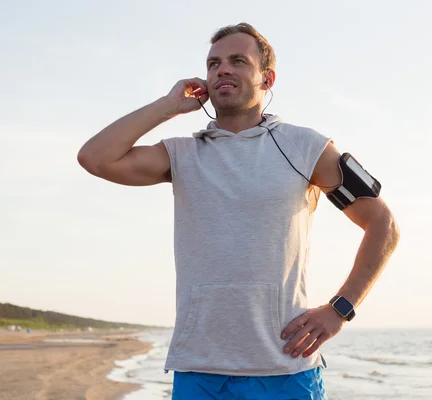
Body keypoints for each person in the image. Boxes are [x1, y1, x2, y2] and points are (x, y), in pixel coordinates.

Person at [77, 22, 400, 400]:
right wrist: (168, 106)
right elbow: (94, 157)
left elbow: (383, 224)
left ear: (267, 78)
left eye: (237, 61)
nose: (222, 70)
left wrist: (339, 309)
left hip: (284, 366)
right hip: (199, 367)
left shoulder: (306, 148)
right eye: (213, 64)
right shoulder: (182, 154)